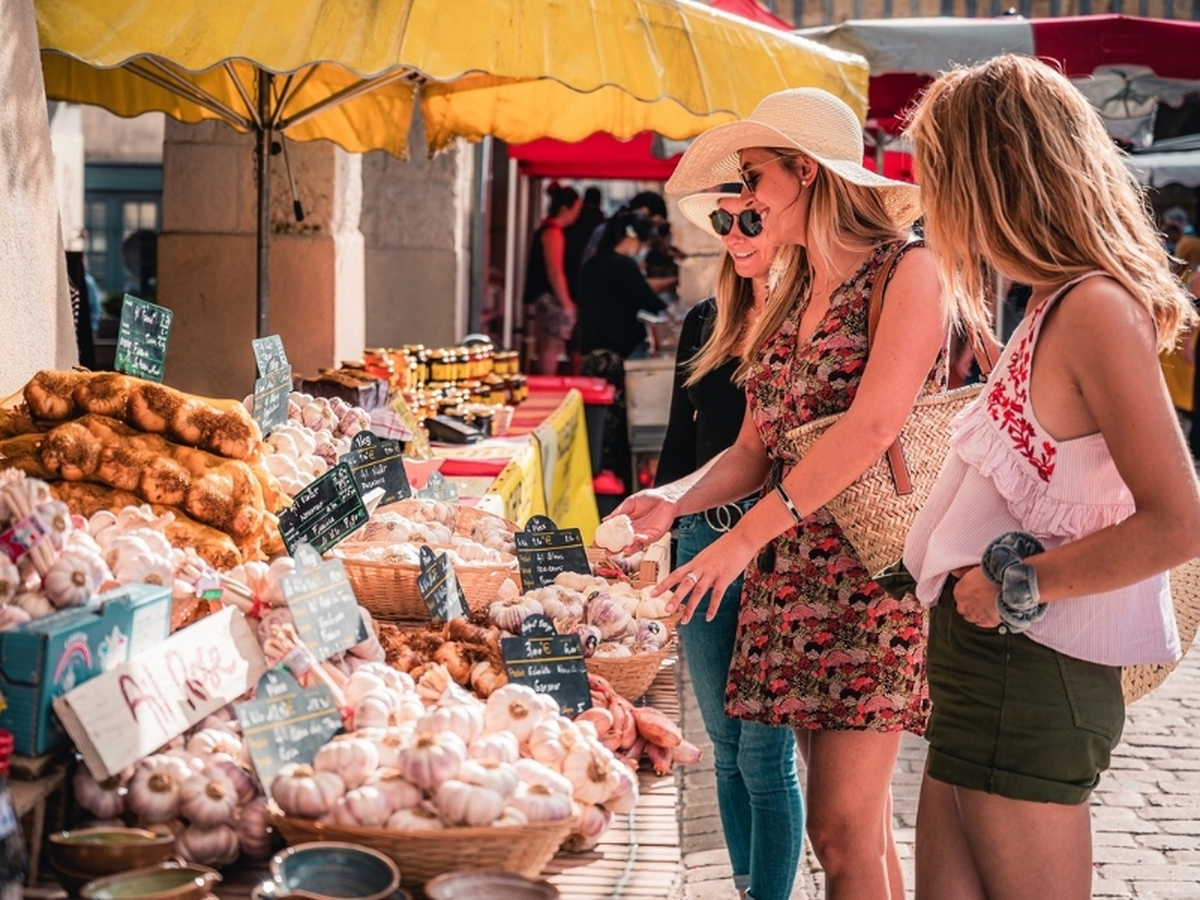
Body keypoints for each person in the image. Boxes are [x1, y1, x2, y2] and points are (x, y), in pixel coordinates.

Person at [613, 88, 947, 900]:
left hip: (870, 583)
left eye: (755, 174)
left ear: (806, 172)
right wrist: (676, 500)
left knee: (836, 826)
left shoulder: (910, 269)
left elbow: (869, 430)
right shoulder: (794, 293)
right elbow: (754, 447)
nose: (745, 195)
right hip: (790, 582)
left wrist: (737, 541)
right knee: (855, 832)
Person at [902, 55, 1200, 900]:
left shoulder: (1094, 308)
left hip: (1030, 662)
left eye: (938, 177)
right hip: (988, 661)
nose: (931, 204)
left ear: (988, 178)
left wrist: (1018, 589)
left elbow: (1179, 522)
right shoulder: (1052, 302)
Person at [656, 184, 804, 900]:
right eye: (725, 220)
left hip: (778, 552)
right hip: (698, 544)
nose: (736, 232)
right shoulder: (706, 320)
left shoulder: (809, 321)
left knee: (764, 756)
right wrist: (663, 524)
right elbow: (683, 441)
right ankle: (747, 887)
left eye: (751, 217)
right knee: (722, 746)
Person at [578, 210, 666, 493]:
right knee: (616, 436)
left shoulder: (591, 265)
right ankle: (615, 491)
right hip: (616, 359)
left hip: (592, 359)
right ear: (631, 237)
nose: (641, 251)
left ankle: (596, 484)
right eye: (642, 244)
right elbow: (651, 303)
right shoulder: (624, 266)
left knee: (596, 432)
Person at [521, 183, 581, 374]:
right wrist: (566, 303)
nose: (576, 215)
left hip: (543, 295)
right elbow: (554, 270)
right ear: (564, 209)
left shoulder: (549, 230)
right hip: (549, 296)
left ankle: (546, 378)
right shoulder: (553, 232)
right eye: (575, 210)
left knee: (549, 345)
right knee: (551, 346)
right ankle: (547, 380)